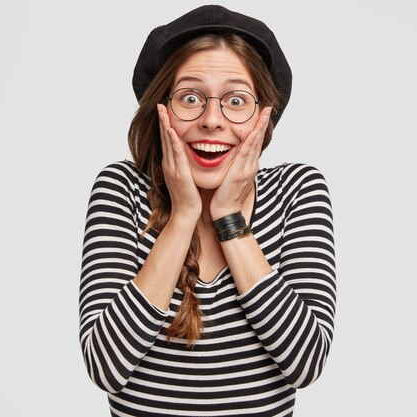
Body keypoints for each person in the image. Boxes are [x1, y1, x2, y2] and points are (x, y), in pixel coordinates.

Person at [79, 5, 336, 416]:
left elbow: (305, 363)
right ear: (161, 108)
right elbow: (106, 367)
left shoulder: (297, 189)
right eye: (190, 98)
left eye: (236, 99)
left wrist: (230, 219)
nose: (212, 120)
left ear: (262, 116)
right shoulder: (121, 189)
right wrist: (183, 216)